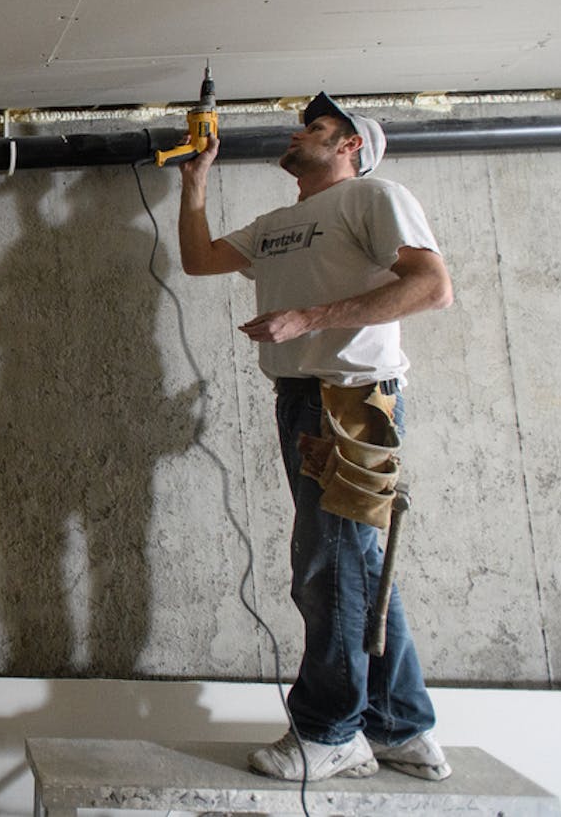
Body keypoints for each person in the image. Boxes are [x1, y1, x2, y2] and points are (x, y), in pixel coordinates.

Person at [175, 92, 453, 782]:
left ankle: (332, 731)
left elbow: (432, 286)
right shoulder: (279, 222)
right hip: (301, 400)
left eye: (319, 128)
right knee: (353, 561)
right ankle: (400, 726)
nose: (302, 133)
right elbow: (200, 259)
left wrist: (312, 318)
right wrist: (195, 182)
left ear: (351, 147)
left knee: (326, 567)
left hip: (352, 399)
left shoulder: (373, 197)